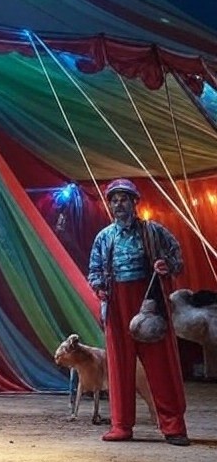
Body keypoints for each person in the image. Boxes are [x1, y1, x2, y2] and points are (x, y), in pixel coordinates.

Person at [87, 178, 190, 445]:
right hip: (117, 302)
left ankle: (173, 426)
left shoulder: (153, 231)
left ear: (135, 202)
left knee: (160, 364)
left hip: (149, 299)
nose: (119, 204)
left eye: (124, 199)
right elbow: (94, 270)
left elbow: (177, 258)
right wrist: (99, 287)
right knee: (119, 366)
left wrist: (166, 266)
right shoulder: (104, 237)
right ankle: (121, 425)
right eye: (114, 200)